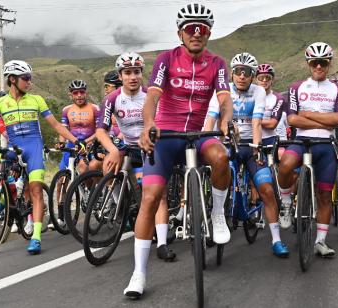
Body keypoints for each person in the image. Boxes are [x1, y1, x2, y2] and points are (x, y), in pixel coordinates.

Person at [123, 3, 233, 299]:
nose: (196, 34)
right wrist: (148, 125)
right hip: (168, 132)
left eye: (203, 29)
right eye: (190, 29)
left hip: (199, 133)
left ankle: (218, 213)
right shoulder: (166, 59)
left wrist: (226, 120)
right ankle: (139, 273)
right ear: (180, 33)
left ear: (208, 34)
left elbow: (224, 98)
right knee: (150, 197)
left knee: (222, 157)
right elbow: (153, 96)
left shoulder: (217, 63)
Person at [0, 60, 83, 255]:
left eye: (30, 78)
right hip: (13, 147)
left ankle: (35, 236)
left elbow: (55, 125)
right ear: (12, 79)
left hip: (33, 148)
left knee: (35, 190)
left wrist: (75, 141)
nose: (29, 82)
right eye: (26, 78)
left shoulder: (36, 100)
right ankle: (2, 202)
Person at [206, 52, 290, 257]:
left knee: (266, 189)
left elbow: (256, 122)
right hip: (227, 142)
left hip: (250, 144)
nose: (242, 76)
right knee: (217, 180)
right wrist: (208, 142)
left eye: (247, 72)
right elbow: (211, 120)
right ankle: (215, 219)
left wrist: (257, 148)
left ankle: (276, 240)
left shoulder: (259, 91)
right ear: (232, 74)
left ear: (252, 75)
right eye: (238, 72)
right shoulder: (222, 90)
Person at [96, 51, 177, 262]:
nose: (132, 77)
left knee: (157, 193)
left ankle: (161, 243)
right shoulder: (112, 99)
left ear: (142, 74)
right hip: (127, 145)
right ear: (120, 76)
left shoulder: (151, 95)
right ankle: (121, 208)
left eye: (136, 72)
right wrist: (112, 150)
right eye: (127, 72)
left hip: (151, 146)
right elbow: (101, 131)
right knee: (107, 166)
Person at [277, 42, 338, 257]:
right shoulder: (296, 87)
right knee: (285, 166)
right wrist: (324, 122)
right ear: (308, 63)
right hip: (302, 142)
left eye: (323, 62)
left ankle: (321, 241)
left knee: (325, 195)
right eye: (315, 62)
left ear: (329, 63)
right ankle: (287, 203)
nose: (319, 66)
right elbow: (292, 119)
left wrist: (307, 115)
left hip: (326, 146)